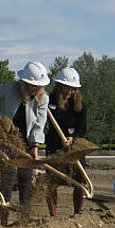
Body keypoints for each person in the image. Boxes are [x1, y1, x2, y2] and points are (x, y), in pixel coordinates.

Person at [0, 60, 50, 226]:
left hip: (27, 142)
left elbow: (39, 124)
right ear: (23, 82)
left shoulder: (43, 99)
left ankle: (24, 217)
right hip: (5, 140)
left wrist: (35, 145)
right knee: (7, 178)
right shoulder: (9, 89)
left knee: (26, 178)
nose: (34, 89)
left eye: (37, 86)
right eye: (30, 85)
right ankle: (4, 218)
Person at [45, 67, 87, 216]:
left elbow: (83, 129)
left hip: (74, 148)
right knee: (51, 181)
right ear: (59, 86)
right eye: (66, 88)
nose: (69, 92)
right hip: (54, 147)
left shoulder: (80, 106)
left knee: (80, 181)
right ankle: (53, 216)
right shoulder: (47, 102)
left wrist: (73, 137)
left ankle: (78, 214)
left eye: (72, 89)